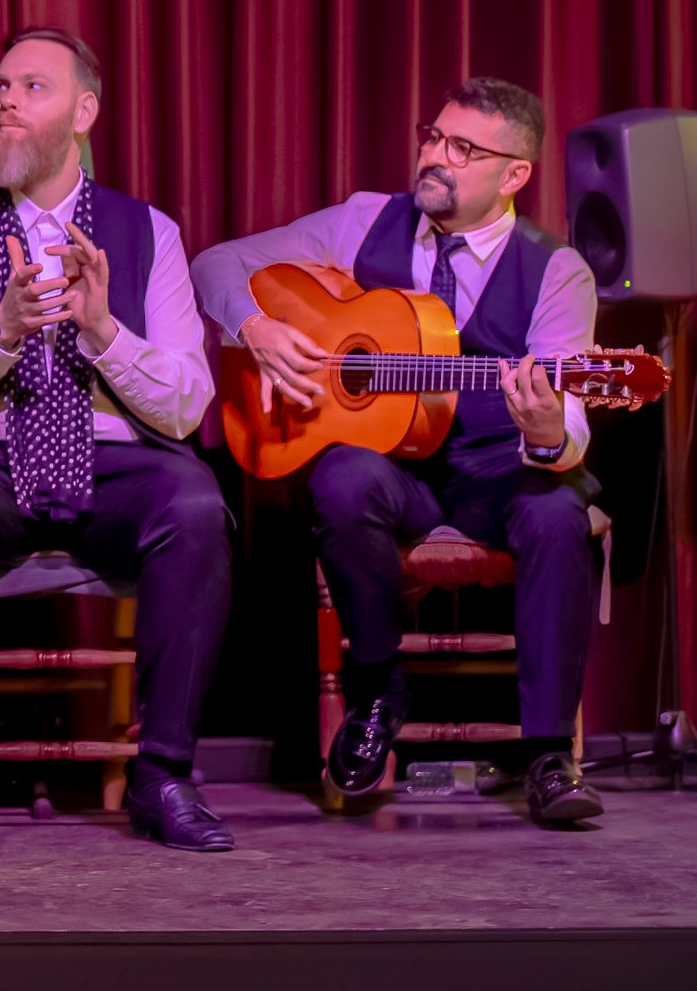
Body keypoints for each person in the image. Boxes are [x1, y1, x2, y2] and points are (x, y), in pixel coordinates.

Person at [189, 77, 606, 825]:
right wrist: (255, 327)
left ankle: (549, 753)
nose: (435, 156)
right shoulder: (363, 221)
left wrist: (547, 431)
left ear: (515, 174)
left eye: (463, 148)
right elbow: (215, 263)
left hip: (497, 473)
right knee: (340, 478)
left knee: (557, 512)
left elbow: (569, 421)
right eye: (433, 136)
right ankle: (378, 690)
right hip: (397, 471)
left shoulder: (556, 271)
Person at [0, 27, 231, 858]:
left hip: (116, 460)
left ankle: (164, 776)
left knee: (197, 504)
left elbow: (186, 406)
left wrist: (106, 333)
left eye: (32, 86)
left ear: (84, 111)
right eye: (1, 86)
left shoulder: (151, 233)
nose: (4, 101)